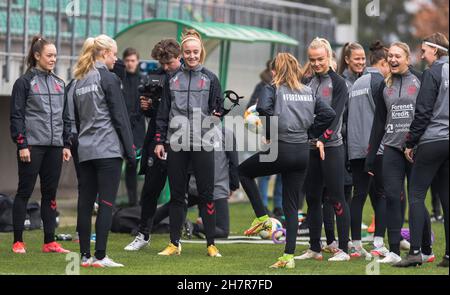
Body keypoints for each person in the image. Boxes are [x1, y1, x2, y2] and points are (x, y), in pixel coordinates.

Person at [239, 52, 336, 269]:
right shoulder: (308, 90)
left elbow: (263, 108)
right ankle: (288, 256)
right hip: (302, 151)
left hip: (281, 148)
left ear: (276, 70)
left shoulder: (272, 87)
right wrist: (311, 132)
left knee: (243, 172)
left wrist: (270, 130)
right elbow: (329, 113)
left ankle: (262, 218)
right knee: (291, 206)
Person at [154, 29, 224, 257]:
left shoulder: (211, 78)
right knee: (177, 195)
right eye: (188, 52)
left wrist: (217, 113)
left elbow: (218, 108)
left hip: (203, 143)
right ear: (182, 54)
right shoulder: (172, 79)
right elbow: (163, 112)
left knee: (206, 194)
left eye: (195, 52)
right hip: (176, 143)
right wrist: (159, 141)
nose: (192, 56)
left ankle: (211, 244)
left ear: (200, 52)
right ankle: (174, 243)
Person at [73, 34, 135, 268]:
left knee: (85, 203)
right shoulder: (107, 78)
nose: (116, 59)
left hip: (86, 149)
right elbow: (120, 117)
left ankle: (85, 257)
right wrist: (130, 151)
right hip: (107, 150)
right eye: (114, 54)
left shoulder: (79, 80)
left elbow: (76, 120)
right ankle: (100, 256)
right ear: (105, 53)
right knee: (106, 203)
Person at [10, 35, 72, 254]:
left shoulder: (60, 83)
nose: (53, 59)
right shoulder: (24, 83)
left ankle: (49, 242)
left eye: (55, 55)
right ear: (37, 56)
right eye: (49, 55)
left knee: (50, 194)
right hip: (32, 147)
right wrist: (22, 144)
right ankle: (18, 241)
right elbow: (16, 116)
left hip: (55, 148)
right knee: (24, 192)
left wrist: (66, 144)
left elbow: (66, 118)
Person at [365, 42, 424, 264]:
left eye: (398, 56)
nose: (393, 59)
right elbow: (379, 122)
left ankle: (424, 248)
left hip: (415, 149)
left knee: (417, 199)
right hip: (391, 149)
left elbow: (427, 112)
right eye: (390, 56)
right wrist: (371, 156)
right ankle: (394, 250)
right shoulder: (383, 85)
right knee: (392, 197)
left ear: (408, 59)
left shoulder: (420, 80)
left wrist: (417, 141)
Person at [395, 33, 449, 268]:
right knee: (447, 199)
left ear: (435, 51)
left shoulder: (432, 72)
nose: (422, 55)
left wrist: (410, 142)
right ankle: (448, 256)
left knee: (416, 194)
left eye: (424, 50)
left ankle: (415, 252)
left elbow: (424, 111)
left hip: (433, 140)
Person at [123, 39, 183, 251]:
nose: (166, 67)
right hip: (156, 139)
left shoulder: (188, 77)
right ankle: (143, 234)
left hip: (181, 140)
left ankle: (176, 238)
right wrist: (147, 106)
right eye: (162, 63)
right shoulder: (156, 75)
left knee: (180, 192)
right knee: (149, 190)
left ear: (179, 57)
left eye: (169, 63)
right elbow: (151, 113)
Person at [296, 37, 351, 262]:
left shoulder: (339, 83)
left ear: (329, 57)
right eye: (312, 59)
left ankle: (344, 250)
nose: (317, 63)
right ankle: (314, 248)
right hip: (310, 147)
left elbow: (335, 115)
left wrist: (322, 138)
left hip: (331, 148)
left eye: (320, 59)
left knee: (337, 198)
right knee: (312, 198)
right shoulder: (306, 82)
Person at [347, 41, 391, 258]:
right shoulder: (380, 82)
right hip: (375, 149)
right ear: (382, 62)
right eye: (388, 64)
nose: (390, 67)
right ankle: (379, 244)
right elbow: (384, 116)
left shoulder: (356, 83)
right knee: (381, 195)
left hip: (354, 148)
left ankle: (355, 244)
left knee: (359, 196)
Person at [121, 48, 146, 206]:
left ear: (137, 62)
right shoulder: (118, 80)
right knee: (115, 168)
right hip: (120, 131)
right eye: (127, 60)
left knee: (133, 167)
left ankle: (134, 203)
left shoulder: (143, 81)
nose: (130, 64)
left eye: (133, 60)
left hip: (137, 133)